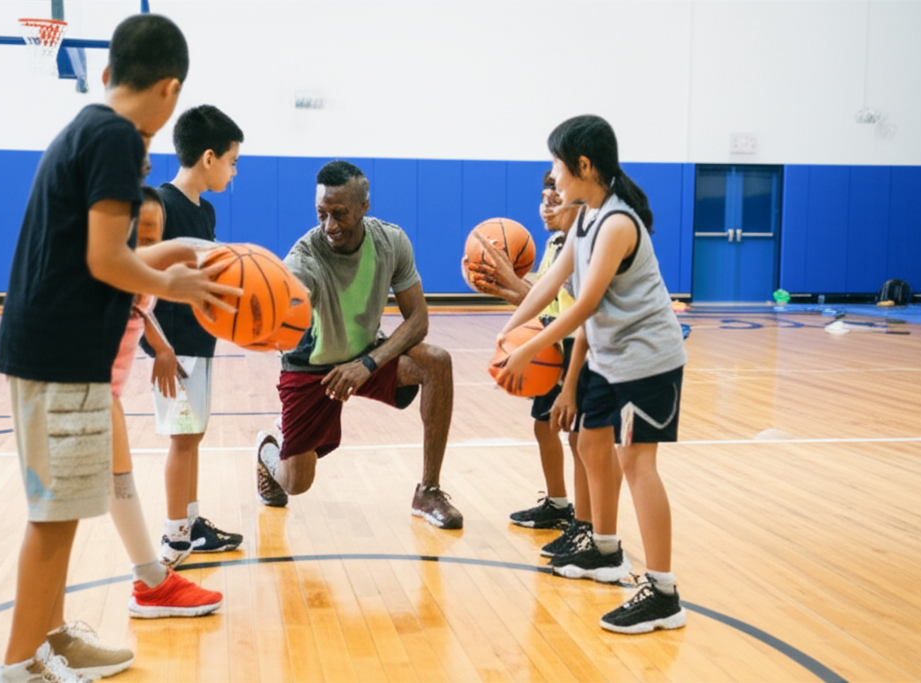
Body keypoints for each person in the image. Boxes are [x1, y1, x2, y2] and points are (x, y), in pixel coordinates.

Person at [0, 15, 240, 682]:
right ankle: (19, 664)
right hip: (61, 355)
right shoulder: (119, 140)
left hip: (54, 349)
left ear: (106, 73)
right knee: (54, 518)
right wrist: (173, 283)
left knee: (65, 512)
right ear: (170, 88)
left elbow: (107, 252)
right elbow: (109, 261)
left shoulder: (89, 127)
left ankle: (50, 640)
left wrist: (181, 252)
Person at [493, 115, 688, 634]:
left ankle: (664, 592)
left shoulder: (618, 223)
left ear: (583, 165)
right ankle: (605, 549)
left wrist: (527, 348)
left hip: (646, 362)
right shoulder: (584, 219)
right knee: (588, 443)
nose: (552, 176)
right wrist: (509, 330)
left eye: (558, 164)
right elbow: (551, 282)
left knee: (637, 462)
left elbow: (585, 303)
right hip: (607, 356)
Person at [254, 160, 463, 530]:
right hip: (310, 367)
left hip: (366, 355)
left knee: (437, 362)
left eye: (339, 213)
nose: (329, 225)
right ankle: (269, 449)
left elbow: (418, 320)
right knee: (296, 483)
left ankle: (428, 490)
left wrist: (368, 363)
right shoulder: (305, 257)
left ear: (365, 206)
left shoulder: (391, 241)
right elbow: (289, 293)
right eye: (321, 213)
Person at [109, 187, 223, 619]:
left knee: (120, 484)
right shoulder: (107, 271)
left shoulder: (142, 278)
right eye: (140, 236)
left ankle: (151, 581)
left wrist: (161, 348)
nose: (150, 247)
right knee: (56, 516)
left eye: (157, 237)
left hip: (104, 394)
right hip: (72, 387)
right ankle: (28, 650)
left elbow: (142, 310)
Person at [142, 105, 246, 568]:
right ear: (209, 157)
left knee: (193, 436)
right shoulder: (160, 206)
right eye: (232, 161)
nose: (234, 170)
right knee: (182, 440)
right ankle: (173, 539)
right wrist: (160, 348)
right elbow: (137, 285)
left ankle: (192, 524)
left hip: (198, 343)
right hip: (173, 348)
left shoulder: (205, 212)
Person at [466, 172, 581, 532]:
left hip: (577, 344)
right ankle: (559, 504)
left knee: (580, 438)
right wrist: (502, 287)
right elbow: (538, 296)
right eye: (543, 198)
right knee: (544, 426)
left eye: (554, 199)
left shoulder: (579, 248)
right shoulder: (555, 244)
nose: (545, 207)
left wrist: (509, 283)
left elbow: (566, 304)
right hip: (552, 338)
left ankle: (590, 522)